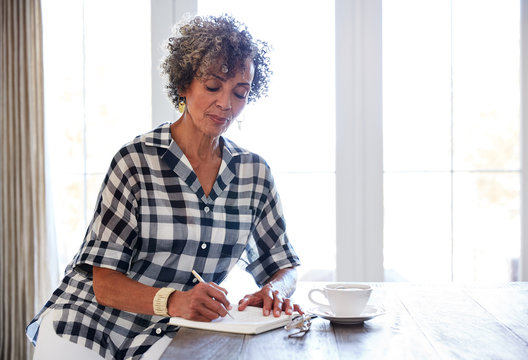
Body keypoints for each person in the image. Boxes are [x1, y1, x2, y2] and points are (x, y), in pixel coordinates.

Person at [26, 14, 301, 360]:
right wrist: (174, 300)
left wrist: (275, 289)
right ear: (184, 85)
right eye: (213, 87)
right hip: (88, 323)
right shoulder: (135, 162)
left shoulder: (254, 174)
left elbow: (283, 265)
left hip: (168, 331)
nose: (227, 104)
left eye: (240, 92)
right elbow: (104, 282)